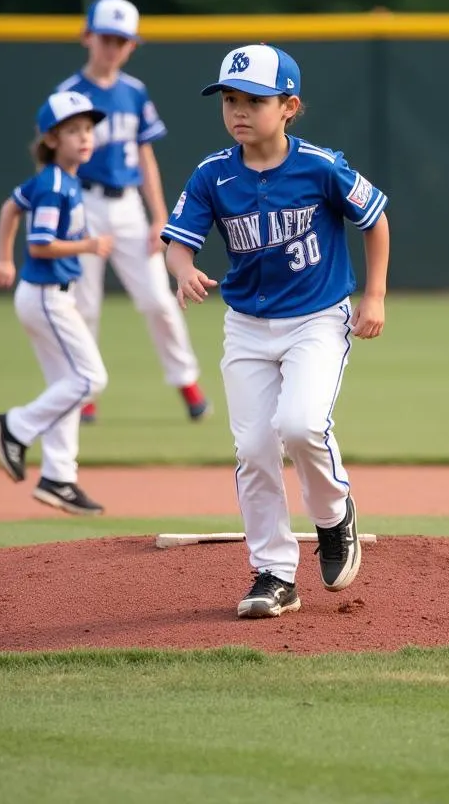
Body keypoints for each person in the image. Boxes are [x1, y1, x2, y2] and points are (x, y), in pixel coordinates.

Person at [162, 44, 390, 618]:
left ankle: (335, 517)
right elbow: (176, 244)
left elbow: (375, 219)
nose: (239, 111)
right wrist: (184, 270)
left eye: (254, 101)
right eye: (230, 100)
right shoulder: (213, 174)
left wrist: (376, 294)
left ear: (289, 106)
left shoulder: (319, 165)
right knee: (254, 448)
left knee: (301, 424)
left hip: (316, 318)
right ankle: (273, 573)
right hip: (246, 326)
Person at [54, 0, 209, 424]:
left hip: (127, 208)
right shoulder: (69, 95)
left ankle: (189, 386)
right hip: (81, 204)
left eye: (122, 40)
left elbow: (145, 158)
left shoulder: (134, 92)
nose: (113, 47)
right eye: (106, 38)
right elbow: (51, 159)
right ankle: (84, 392)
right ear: (88, 37)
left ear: (132, 46)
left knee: (159, 298)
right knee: (82, 304)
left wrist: (160, 216)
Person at [0, 90, 113, 516]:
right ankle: (15, 427)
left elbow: (9, 207)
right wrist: (90, 244)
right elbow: (40, 246)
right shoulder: (56, 185)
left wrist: (4, 257)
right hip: (46, 298)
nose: (84, 137)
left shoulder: (56, 180)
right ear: (52, 138)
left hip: (46, 297)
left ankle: (59, 476)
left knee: (69, 386)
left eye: (88, 129)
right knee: (90, 379)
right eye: (73, 130)